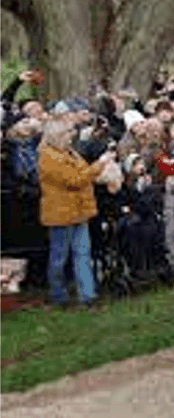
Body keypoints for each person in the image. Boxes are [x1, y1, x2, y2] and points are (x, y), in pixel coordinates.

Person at [38, 118, 116, 308]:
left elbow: (83, 173)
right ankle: (58, 295)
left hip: (79, 212)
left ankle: (88, 296)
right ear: (56, 136)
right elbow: (75, 180)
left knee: (83, 254)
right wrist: (99, 164)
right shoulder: (49, 157)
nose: (71, 137)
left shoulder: (69, 152)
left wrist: (98, 169)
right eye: (67, 133)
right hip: (61, 215)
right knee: (59, 258)